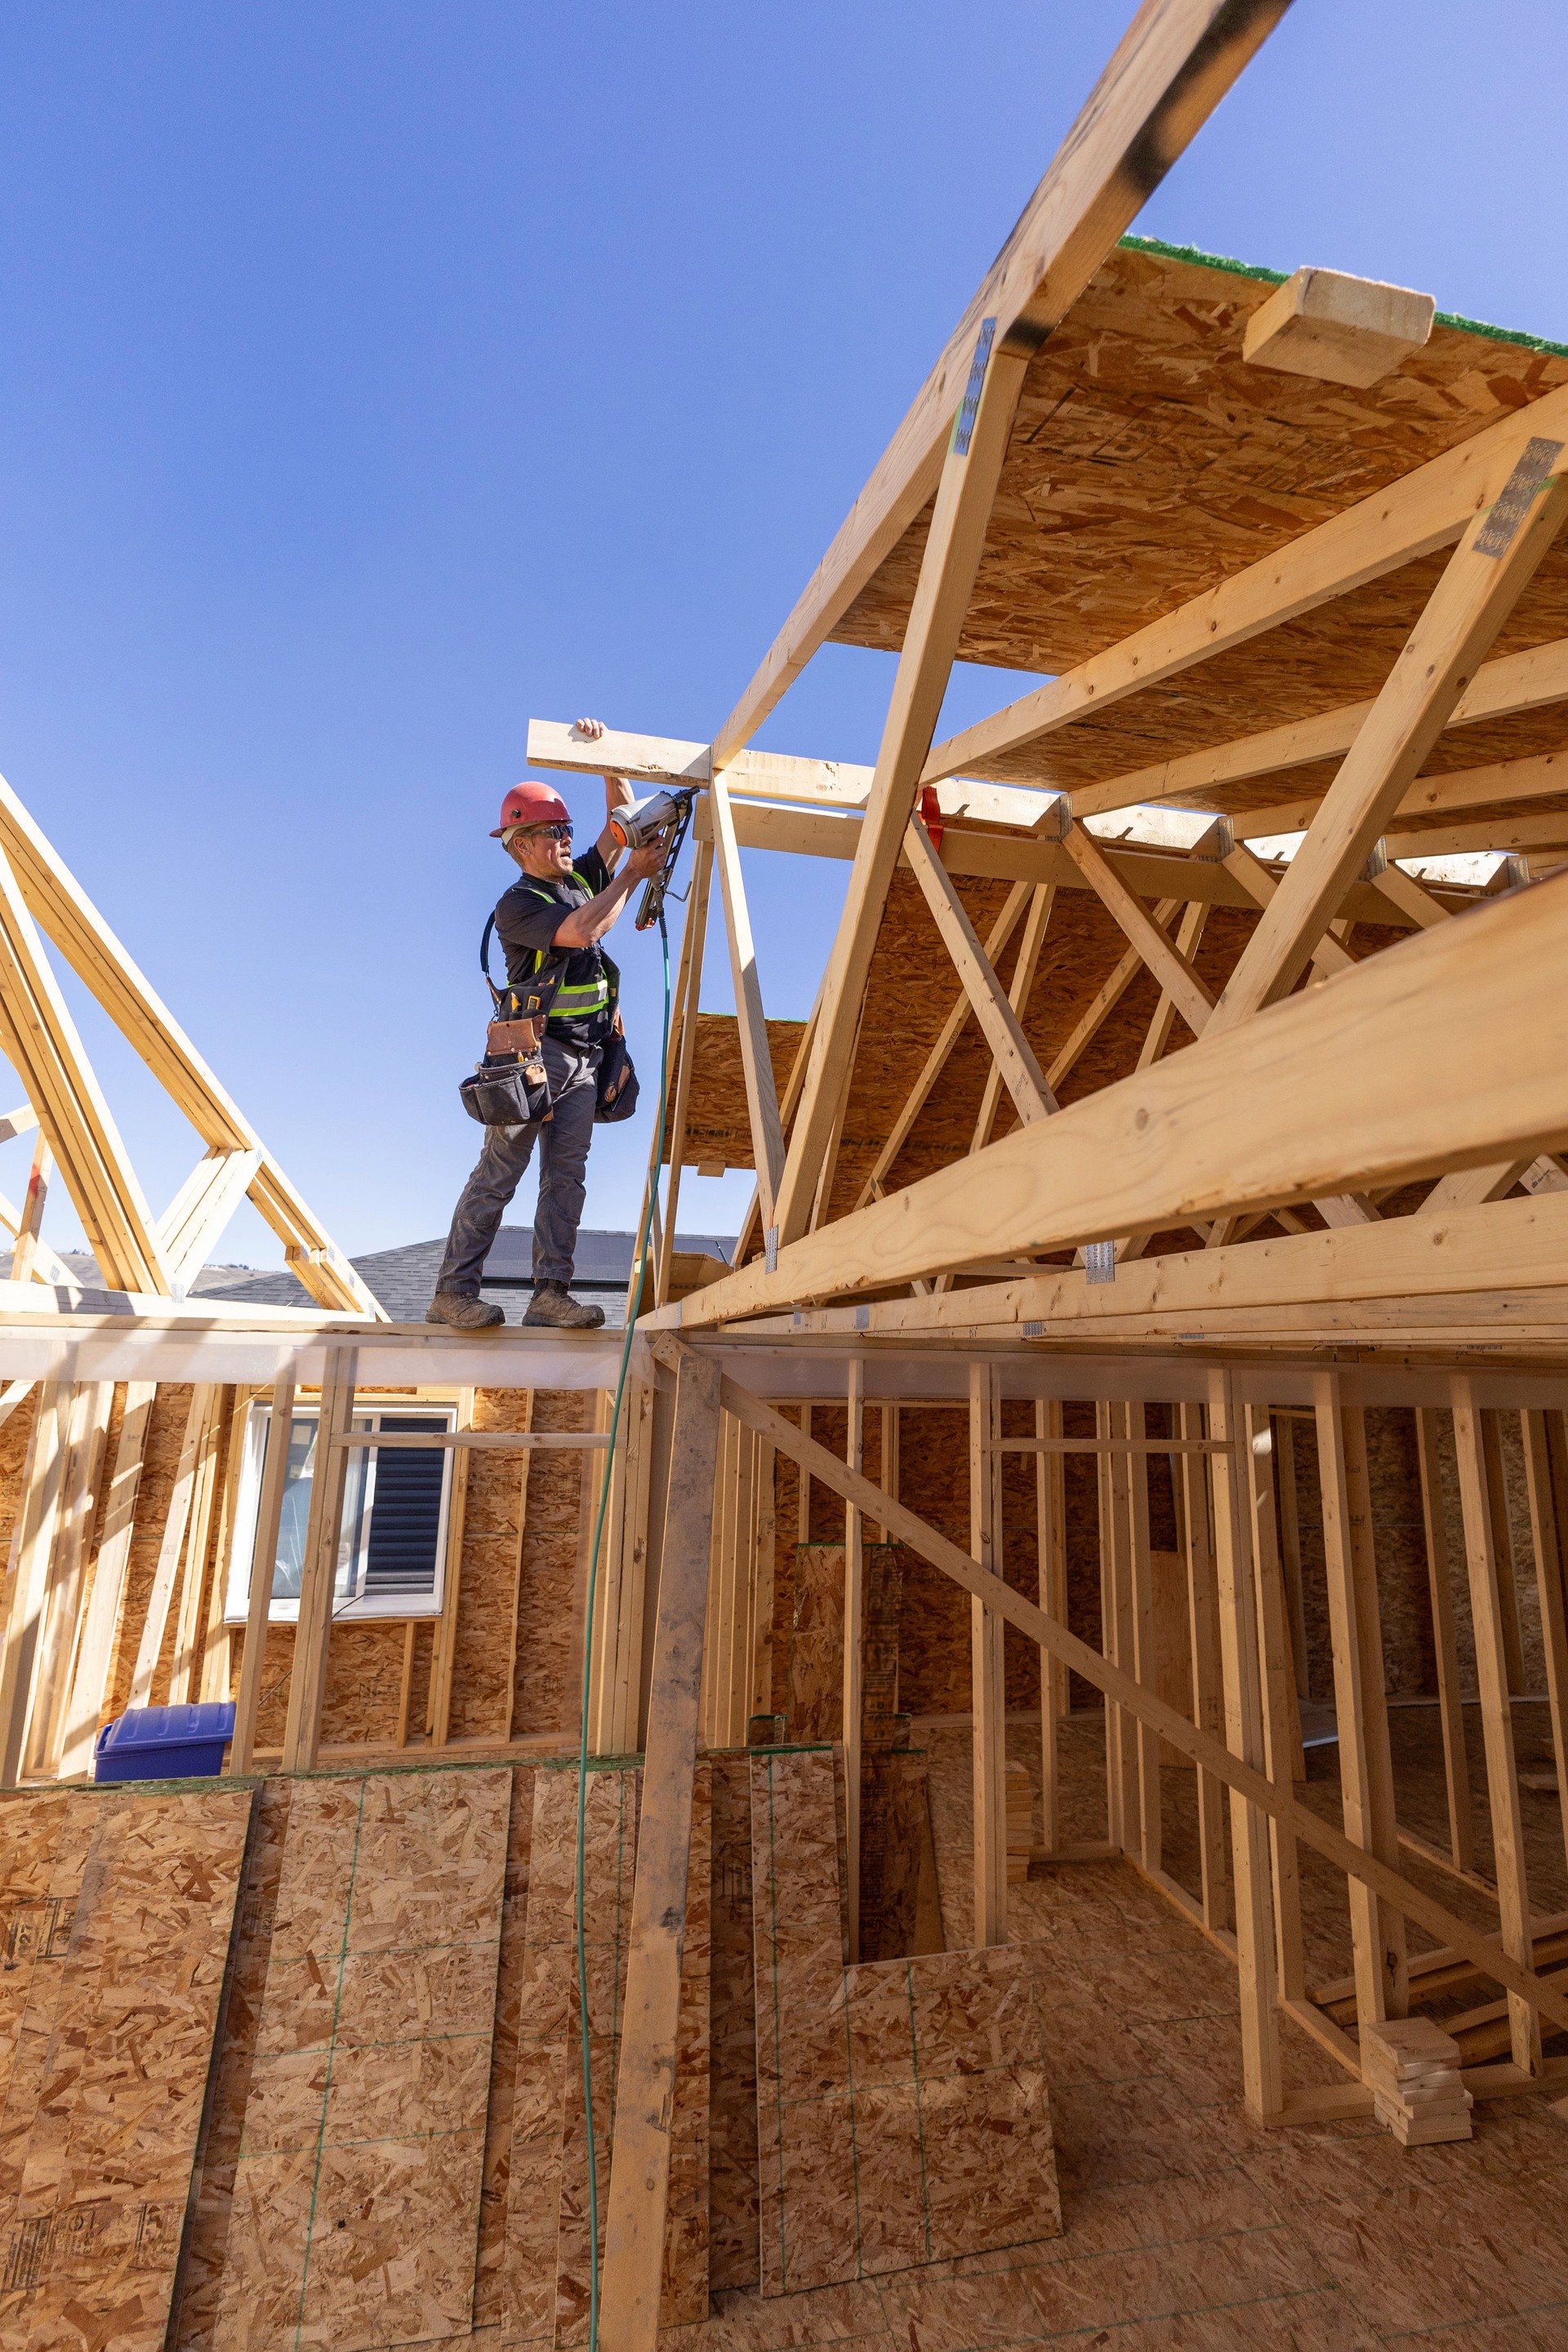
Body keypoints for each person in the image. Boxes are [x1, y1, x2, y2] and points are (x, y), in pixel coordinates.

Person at [426, 719, 666, 1330]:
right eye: (552, 832)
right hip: (534, 1059)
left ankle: (549, 1295)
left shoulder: (582, 877)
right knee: (499, 1174)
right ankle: (454, 1293)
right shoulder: (520, 904)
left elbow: (621, 823)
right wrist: (634, 875)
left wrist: (606, 759)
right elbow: (584, 931)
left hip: (584, 1058)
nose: (565, 838)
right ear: (521, 844)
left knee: (567, 1180)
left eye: (564, 828)